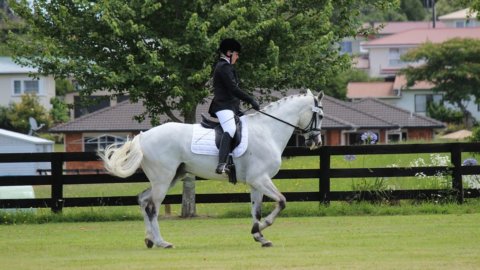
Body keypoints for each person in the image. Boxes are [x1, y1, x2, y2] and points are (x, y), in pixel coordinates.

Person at [208, 38, 260, 174]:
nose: (238, 57)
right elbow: (233, 89)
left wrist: (239, 109)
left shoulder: (227, 67)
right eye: (236, 54)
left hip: (230, 107)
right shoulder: (223, 67)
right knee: (230, 129)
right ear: (229, 53)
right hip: (222, 106)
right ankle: (221, 164)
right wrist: (251, 100)